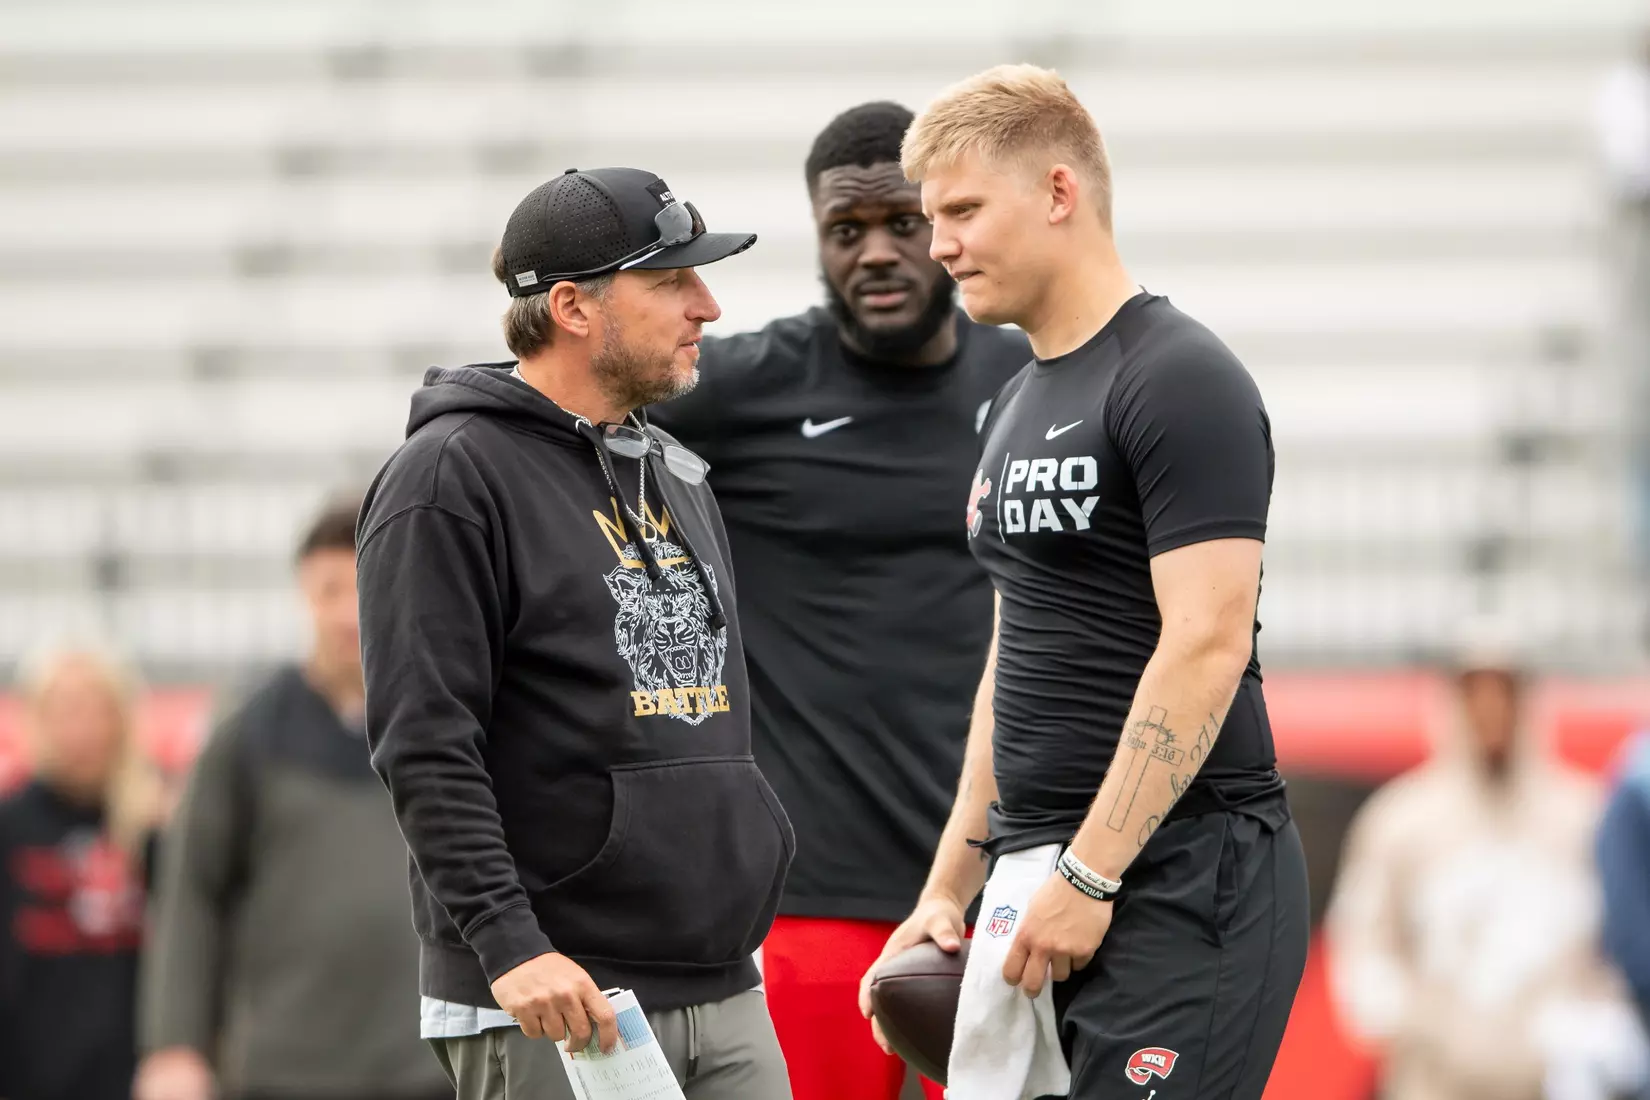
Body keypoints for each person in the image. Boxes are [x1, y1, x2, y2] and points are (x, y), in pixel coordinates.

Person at [859, 64, 1309, 1099]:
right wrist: (946, 887)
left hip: (1188, 873)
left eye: (963, 210)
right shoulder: (1012, 399)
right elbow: (1014, 655)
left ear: (1059, 193)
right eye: (934, 217)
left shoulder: (1180, 375)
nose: (938, 247)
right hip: (1043, 877)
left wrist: (1091, 871)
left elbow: (1207, 640)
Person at [356, 167, 794, 1100]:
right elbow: (426, 742)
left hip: (720, 981)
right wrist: (510, 947)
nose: (707, 306)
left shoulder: (674, 472)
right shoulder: (446, 477)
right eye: (673, 281)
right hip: (556, 993)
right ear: (572, 308)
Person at [648, 100, 1029, 1100]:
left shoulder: (1032, 382)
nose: (876, 253)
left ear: (948, 226)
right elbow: (556, 404)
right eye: (844, 230)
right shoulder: (745, 387)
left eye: (903, 224)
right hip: (814, 896)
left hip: (996, 889)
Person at [132, 497, 450, 1100]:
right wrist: (176, 1045)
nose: (347, 612)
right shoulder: (249, 733)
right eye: (328, 590)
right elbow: (192, 890)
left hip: (428, 1065)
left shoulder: (451, 720)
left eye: (361, 585)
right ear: (304, 597)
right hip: (286, 1066)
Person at [1329, 635, 1639, 1100]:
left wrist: (1594, 1022)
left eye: (1505, 694)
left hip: (1552, 1083)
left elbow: (1621, 945)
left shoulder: (1583, 817)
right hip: (1435, 1083)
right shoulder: (1401, 821)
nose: (1491, 712)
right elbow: (1363, 948)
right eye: (1475, 695)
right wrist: (1426, 1025)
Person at [0, 641, 164, 1100]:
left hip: (131, 1078)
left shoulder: (152, 828)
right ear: (37, 718)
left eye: (99, 710)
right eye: (67, 710)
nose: (84, 729)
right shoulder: (10, 826)